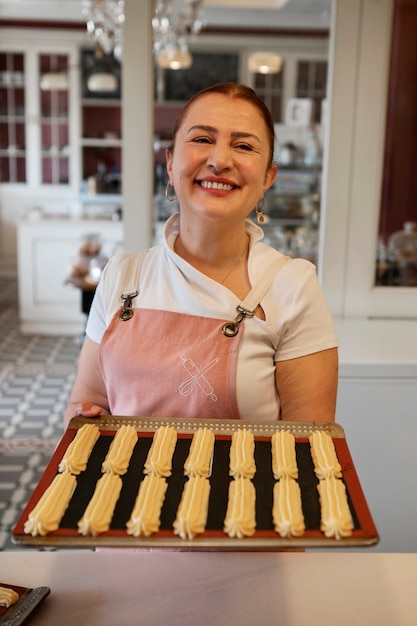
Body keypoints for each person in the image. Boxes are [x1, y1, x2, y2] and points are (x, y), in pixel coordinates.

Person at [64, 82, 338, 428]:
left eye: (243, 146)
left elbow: (308, 449)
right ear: (170, 162)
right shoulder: (122, 275)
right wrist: (83, 419)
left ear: (268, 176)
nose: (220, 161)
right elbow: (83, 404)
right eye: (202, 139)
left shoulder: (293, 288)